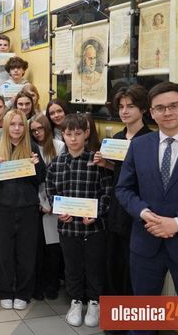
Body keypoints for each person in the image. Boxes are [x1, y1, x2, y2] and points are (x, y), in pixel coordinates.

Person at [117, 82, 178, 330]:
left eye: (174, 106)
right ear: (151, 112)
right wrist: (143, 212)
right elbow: (124, 189)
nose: (167, 112)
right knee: (143, 318)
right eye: (160, 108)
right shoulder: (140, 146)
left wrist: (177, 223)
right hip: (145, 243)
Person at [46, 113, 112, 328]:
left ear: (86, 134)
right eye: (68, 134)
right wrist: (58, 210)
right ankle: (75, 301)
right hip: (68, 227)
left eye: (77, 133)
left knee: (94, 265)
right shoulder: (56, 164)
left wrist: (97, 212)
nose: (73, 139)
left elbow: (107, 191)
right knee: (72, 266)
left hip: (94, 228)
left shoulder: (97, 161)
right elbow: (51, 191)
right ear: (62, 135)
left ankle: (94, 302)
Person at [92, 85, 152, 298]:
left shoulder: (150, 140)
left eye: (131, 106)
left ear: (143, 109)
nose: (125, 111)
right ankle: (114, 313)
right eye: (121, 107)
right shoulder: (116, 138)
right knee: (113, 259)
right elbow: (120, 174)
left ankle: (132, 314)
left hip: (139, 208)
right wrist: (106, 164)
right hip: (116, 207)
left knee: (133, 264)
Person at [0, 109, 45, 310]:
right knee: (3, 254)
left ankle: (23, 292)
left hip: (28, 209)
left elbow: (41, 179)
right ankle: (5, 290)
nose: (17, 128)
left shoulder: (32, 148)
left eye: (21, 124)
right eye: (13, 124)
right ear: (6, 126)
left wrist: (37, 166)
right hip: (3, 209)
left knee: (26, 254)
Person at [29, 113, 65, 300]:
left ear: (47, 128)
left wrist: (51, 203)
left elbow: (61, 177)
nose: (37, 133)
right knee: (38, 249)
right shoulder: (30, 148)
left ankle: (52, 285)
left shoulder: (59, 146)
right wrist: (40, 202)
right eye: (33, 130)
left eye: (40, 129)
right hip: (36, 203)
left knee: (53, 249)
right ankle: (39, 285)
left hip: (54, 203)